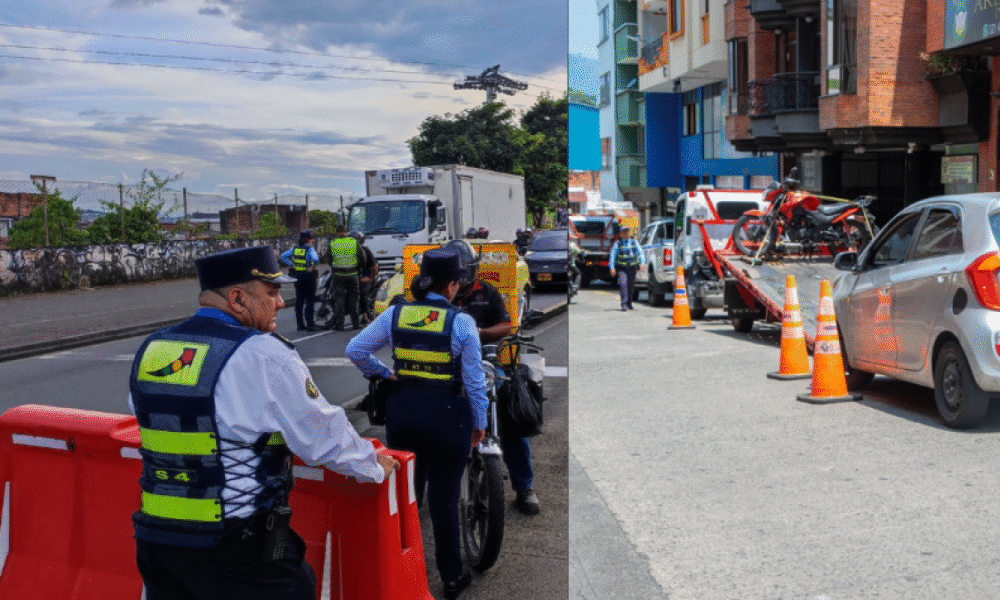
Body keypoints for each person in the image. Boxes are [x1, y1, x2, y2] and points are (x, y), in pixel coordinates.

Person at [128, 245, 399, 600]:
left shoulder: (155, 347)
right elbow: (321, 436)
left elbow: (158, 422)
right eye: (271, 293)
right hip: (236, 547)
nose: (281, 303)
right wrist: (373, 464)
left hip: (158, 542)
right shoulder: (263, 354)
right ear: (237, 299)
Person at [345, 248, 487, 600]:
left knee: (405, 498)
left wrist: (385, 374)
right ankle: (451, 579)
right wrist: (480, 422)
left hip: (404, 413)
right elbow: (474, 382)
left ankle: (401, 576)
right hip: (448, 416)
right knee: (444, 501)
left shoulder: (395, 314)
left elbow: (356, 350)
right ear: (453, 285)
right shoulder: (462, 322)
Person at [446, 239, 541, 516]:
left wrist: (480, 334)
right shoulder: (439, 297)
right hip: (447, 369)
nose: (459, 281)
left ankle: (524, 487)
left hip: (486, 366)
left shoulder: (486, 292)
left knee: (512, 422)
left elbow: (506, 325)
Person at [280, 230, 321, 331]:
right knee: (310, 301)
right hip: (308, 276)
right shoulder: (309, 249)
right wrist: (312, 266)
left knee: (299, 301)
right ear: (307, 239)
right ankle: (310, 324)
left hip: (297, 277)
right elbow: (315, 259)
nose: (312, 240)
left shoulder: (295, 249)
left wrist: (291, 265)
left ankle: (300, 325)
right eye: (311, 238)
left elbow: (283, 256)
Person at [328, 224, 362, 330]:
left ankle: (340, 324)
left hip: (338, 276)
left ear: (337, 232)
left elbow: (329, 259)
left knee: (339, 300)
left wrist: (336, 268)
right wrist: (358, 269)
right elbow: (362, 257)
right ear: (346, 232)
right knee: (354, 299)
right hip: (353, 275)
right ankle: (355, 324)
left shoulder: (332, 243)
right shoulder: (353, 242)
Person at [608, 225, 646, 311]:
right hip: (622, 269)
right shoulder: (617, 244)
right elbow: (612, 256)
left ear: (629, 233)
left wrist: (642, 263)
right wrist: (612, 267)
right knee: (623, 284)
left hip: (632, 268)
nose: (625, 233)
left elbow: (640, 253)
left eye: (627, 231)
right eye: (623, 232)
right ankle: (624, 304)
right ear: (620, 234)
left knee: (630, 286)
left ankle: (629, 303)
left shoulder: (634, 242)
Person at [352, 231, 378, 324]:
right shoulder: (348, 252)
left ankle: (365, 315)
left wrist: (370, 278)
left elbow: (375, 266)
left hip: (365, 278)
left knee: (361, 292)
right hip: (353, 278)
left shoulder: (365, 250)